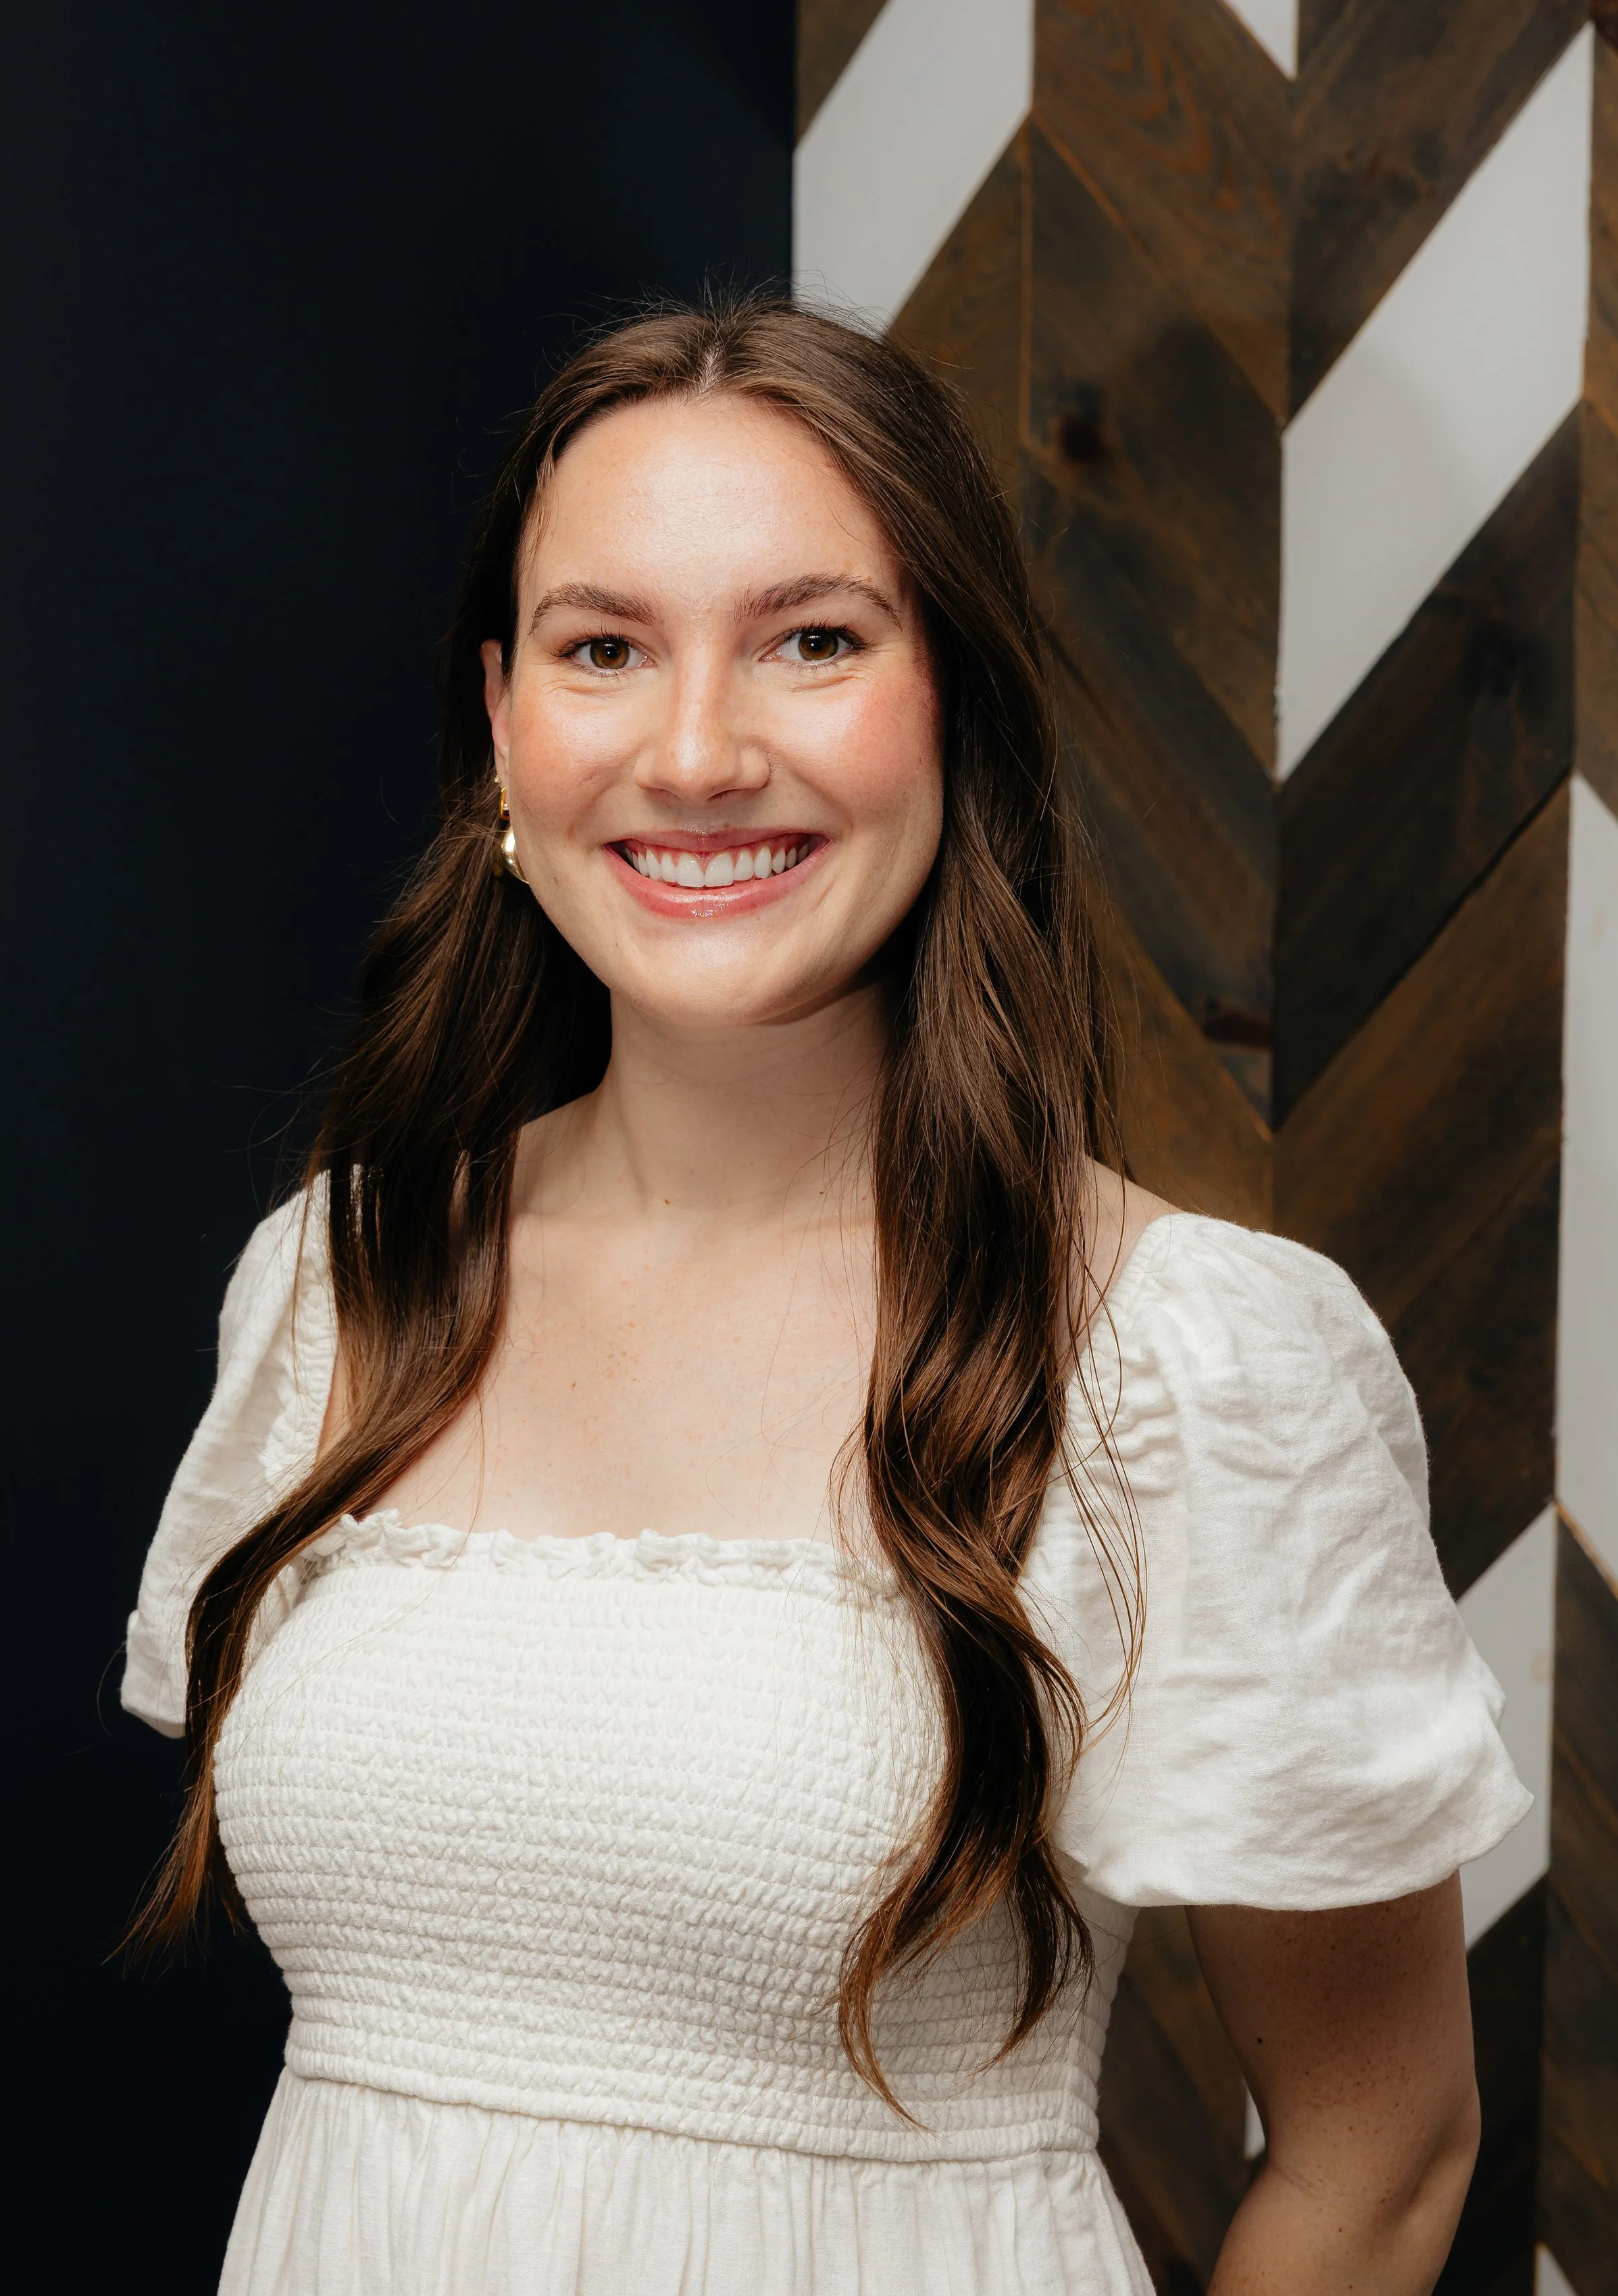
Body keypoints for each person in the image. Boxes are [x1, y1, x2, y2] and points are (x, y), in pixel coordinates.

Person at [124, 299, 1527, 2295]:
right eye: (606, 648)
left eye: (812, 639)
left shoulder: (1181, 1360)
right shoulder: (340, 1279)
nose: (697, 752)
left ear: (950, 703)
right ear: (502, 726)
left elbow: (1384, 2150)